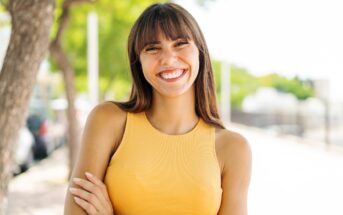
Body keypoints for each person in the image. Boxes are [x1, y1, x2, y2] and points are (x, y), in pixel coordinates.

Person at [64, 2, 252, 215]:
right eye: (152, 48)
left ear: (199, 52)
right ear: (138, 62)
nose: (168, 59)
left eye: (180, 44)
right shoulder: (108, 121)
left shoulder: (233, 148)